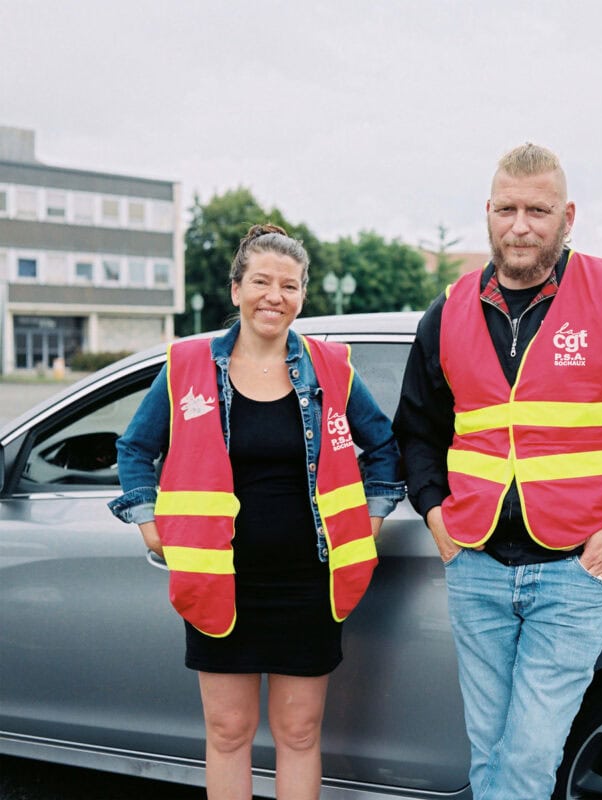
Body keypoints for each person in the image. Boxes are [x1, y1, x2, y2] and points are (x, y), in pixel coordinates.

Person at [393, 143, 602, 799]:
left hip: (575, 569)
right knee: (489, 756)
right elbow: (415, 431)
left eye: (537, 210)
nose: (520, 225)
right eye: (507, 208)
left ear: (566, 216)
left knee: (529, 759)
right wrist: (435, 516)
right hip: (475, 562)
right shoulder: (447, 310)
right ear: (487, 212)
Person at [109, 223, 404, 800]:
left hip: (307, 582)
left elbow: (384, 446)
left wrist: (370, 518)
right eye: (262, 282)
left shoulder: (331, 367)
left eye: (289, 286)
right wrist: (149, 524)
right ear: (237, 289)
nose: (276, 296)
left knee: (298, 732)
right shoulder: (187, 365)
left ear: (301, 297)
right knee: (227, 730)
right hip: (218, 580)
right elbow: (133, 448)